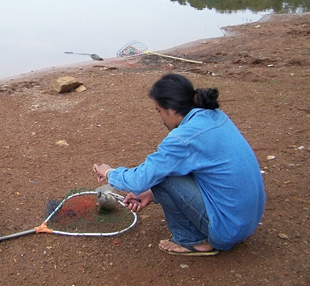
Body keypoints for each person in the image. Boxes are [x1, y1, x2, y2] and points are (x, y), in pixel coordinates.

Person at [93, 73, 265, 256]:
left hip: (228, 229)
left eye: (159, 111)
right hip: (247, 221)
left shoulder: (183, 138)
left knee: (162, 175)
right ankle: (204, 233)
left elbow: (139, 179)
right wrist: (151, 194)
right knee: (166, 170)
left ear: (172, 109)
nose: (161, 118)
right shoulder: (214, 116)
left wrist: (110, 172)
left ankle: (193, 240)